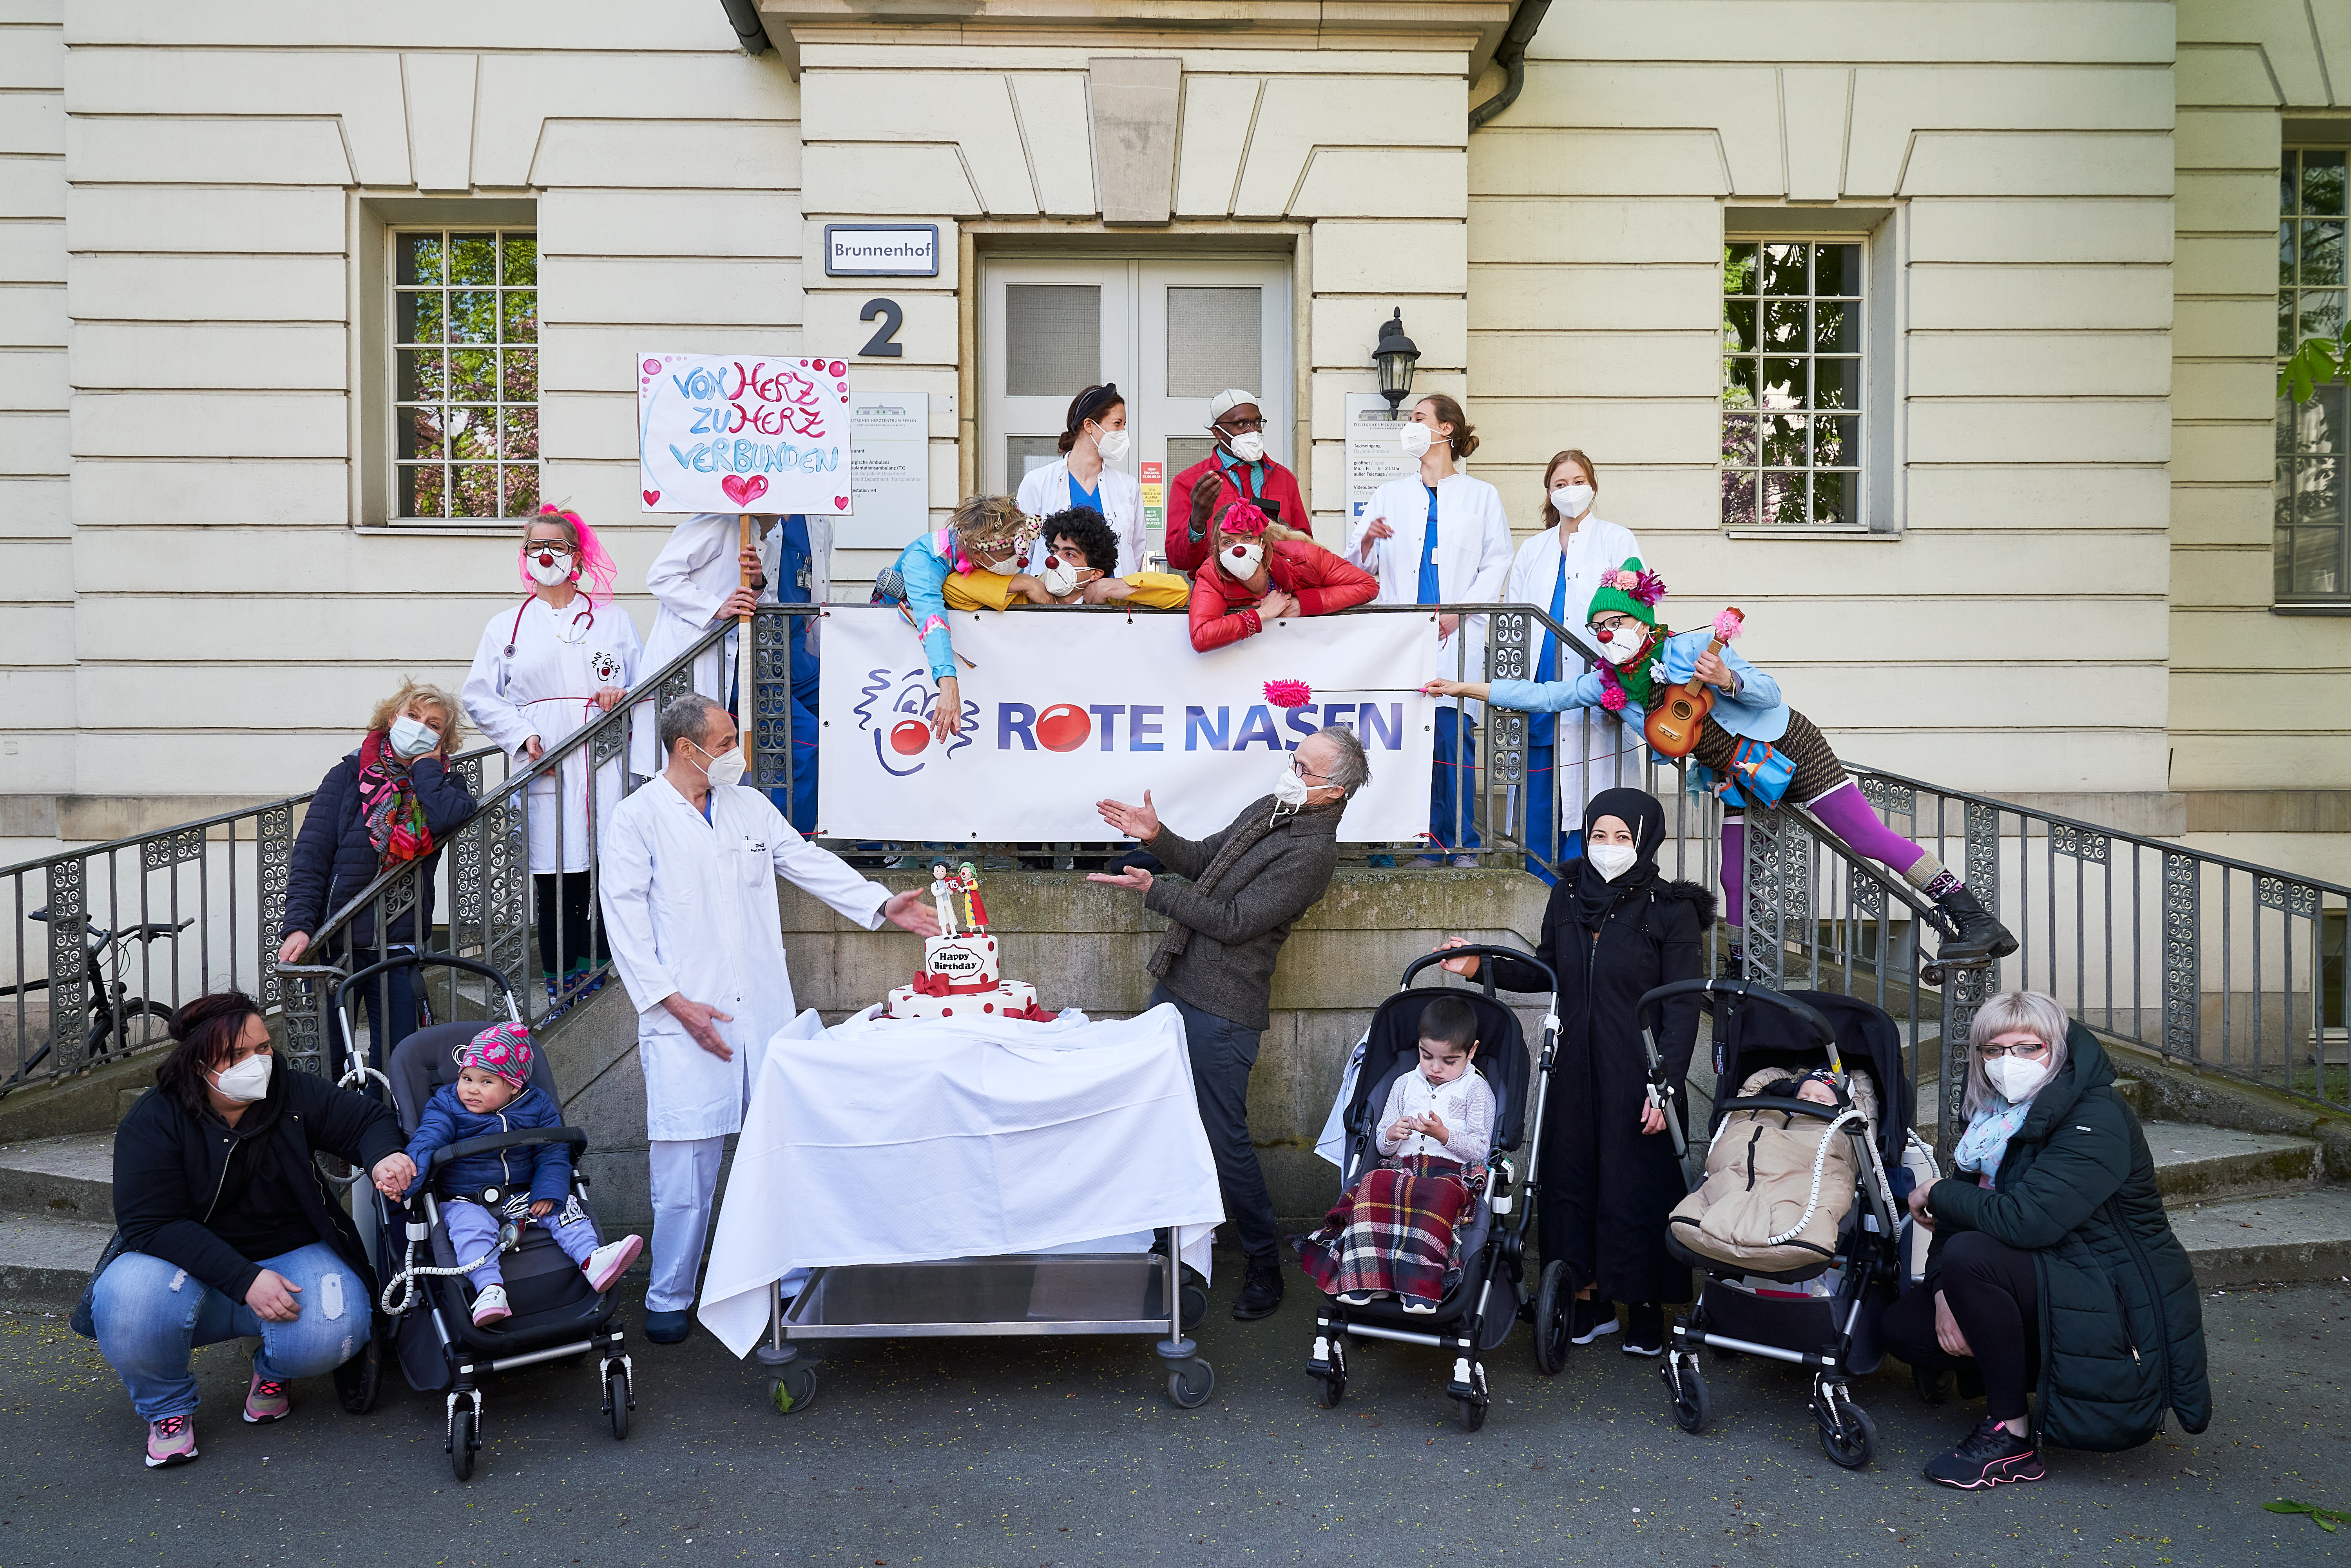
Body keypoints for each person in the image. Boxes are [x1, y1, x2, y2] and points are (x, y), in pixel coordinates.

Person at [1425, 558, 2018, 968]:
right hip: (1737, 777)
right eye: (1599, 627)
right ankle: (1739, 964)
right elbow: (1543, 697)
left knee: (1865, 835)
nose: (1609, 634)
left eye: (1617, 622)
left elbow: (1767, 691)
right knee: (1732, 872)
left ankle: (1970, 914)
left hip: (1786, 746)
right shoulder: (1612, 686)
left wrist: (1727, 676)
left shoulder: (1689, 648)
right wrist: (1462, 686)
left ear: (1642, 619)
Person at [598, 693, 941, 1342]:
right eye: (725, 741)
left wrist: (880, 905)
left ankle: (788, 1277)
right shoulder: (636, 819)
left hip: (760, 1011)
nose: (737, 752)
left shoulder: (749, 807)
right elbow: (627, 923)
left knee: (779, 1147)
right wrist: (674, 1003)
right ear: (685, 748)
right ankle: (672, 1294)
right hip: (682, 1015)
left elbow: (807, 863)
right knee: (685, 1171)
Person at [1089, 724, 1371, 1321]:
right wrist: (1157, 836)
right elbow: (1205, 860)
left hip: (1224, 1011)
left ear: (1334, 794)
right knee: (1161, 1118)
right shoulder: (1271, 807)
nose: (1292, 769)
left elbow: (1236, 919)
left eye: (1307, 767)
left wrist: (1154, 891)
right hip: (1178, 982)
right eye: (1294, 758)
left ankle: (1265, 1265)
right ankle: (1173, 1246)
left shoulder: (1313, 855)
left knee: (1225, 1142)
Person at [1886, 991, 2210, 1489]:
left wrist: (1936, 1190)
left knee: (1974, 1257)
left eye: (2027, 1048)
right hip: (2050, 1269)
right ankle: (2021, 1365)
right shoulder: (1993, 1118)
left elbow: (2027, 1221)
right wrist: (1944, 1291)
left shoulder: (2094, 1115)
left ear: (2056, 1049)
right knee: (1905, 1327)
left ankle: (2011, 1437)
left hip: (2111, 1288)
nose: (2007, 1062)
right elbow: (1957, 1222)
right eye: (1993, 1050)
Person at [1432, 787, 1710, 1356]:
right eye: (1599, 835)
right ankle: (1589, 1299)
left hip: (1641, 1069)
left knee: (1635, 1184)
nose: (1609, 848)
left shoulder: (1671, 909)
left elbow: (1682, 1006)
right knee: (1573, 1180)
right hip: (1574, 1066)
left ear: (1646, 839)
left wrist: (1667, 1085)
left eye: (1623, 837)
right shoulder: (1566, 896)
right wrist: (1479, 963)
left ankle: (1645, 1305)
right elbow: (1547, 970)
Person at [88, 990, 414, 1468]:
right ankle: (168, 1409)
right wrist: (244, 1280)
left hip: (287, 1251)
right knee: (128, 1299)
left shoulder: (290, 1091)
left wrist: (385, 1155)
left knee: (338, 1326)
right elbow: (149, 1224)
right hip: (182, 1265)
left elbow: (367, 1118)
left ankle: (273, 1369)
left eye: (263, 1047)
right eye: (238, 1055)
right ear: (199, 1063)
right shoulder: (155, 1120)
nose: (259, 1062)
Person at [461, 505, 643, 1015]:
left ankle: (605, 972)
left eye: (556, 546)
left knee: (610, 866)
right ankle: (563, 983)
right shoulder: (506, 627)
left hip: (603, 755)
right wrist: (523, 736)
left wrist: (619, 696)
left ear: (576, 555)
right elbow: (479, 695)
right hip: (545, 761)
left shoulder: (614, 620)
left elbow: (647, 683)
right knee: (556, 873)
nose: (545, 554)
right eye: (535, 547)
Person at [389, 1020, 643, 1327]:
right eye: (466, 1078)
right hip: (466, 1199)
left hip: (523, 1194)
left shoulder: (536, 1105)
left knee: (566, 1208)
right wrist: (407, 1180)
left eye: (486, 1082)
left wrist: (549, 1190)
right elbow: (427, 1140)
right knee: (471, 1231)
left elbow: (552, 1150)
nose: (471, 1089)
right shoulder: (447, 1105)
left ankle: (593, 1260)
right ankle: (490, 1290)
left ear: (513, 1086)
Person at [1348, 393, 1511, 864]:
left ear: (1446, 430)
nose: (1411, 425)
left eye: (1419, 418)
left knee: (1451, 737)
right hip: (1403, 636)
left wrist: (1461, 611)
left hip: (1456, 637)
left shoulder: (1481, 496)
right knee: (1405, 741)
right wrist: (1366, 539)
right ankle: (1419, 842)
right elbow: (1357, 567)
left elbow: (1497, 561)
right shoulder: (1390, 495)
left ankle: (1459, 843)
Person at [276, 681, 475, 1066]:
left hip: (397, 943)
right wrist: (299, 925)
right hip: (335, 940)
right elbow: (311, 855)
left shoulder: (445, 785)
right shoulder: (349, 774)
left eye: (434, 725)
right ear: (391, 718)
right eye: (413, 716)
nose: (420, 727)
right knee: (329, 1055)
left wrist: (426, 769)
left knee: (397, 1057)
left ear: (444, 741)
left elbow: (447, 817)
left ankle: (386, 1125)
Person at [1291, 994, 1495, 1313]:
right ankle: (1364, 1281)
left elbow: (1480, 1148)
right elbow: (1383, 1146)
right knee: (1373, 1183)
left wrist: (1444, 1134)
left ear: (1471, 1052)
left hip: (1451, 1174)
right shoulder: (1404, 1084)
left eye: (1449, 1061)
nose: (1436, 1068)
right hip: (1404, 1168)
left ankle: (1421, 1288)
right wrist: (1391, 1134)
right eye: (1427, 1056)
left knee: (1437, 1195)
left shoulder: (1476, 1089)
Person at [1505, 450, 1643, 882]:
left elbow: (1636, 612)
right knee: (1540, 792)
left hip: (1594, 687)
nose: (1570, 490)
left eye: (1578, 480)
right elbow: (1513, 616)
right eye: (1560, 483)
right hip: (1541, 683)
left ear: (1593, 486)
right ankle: (1539, 885)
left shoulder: (1617, 540)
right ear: (1549, 492)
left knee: (1589, 795)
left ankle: (1582, 889)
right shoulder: (1534, 549)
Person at [633, 508, 831, 798]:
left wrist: (759, 584)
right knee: (690, 768)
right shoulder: (716, 521)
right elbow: (662, 576)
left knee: (792, 744)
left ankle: (783, 836)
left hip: (747, 664)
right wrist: (715, 608)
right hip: (699, 663)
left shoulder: (771, 537)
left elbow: (766, 602)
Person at [875, 494, 1044, 741]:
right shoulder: (924, 560)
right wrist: (948, 683)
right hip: (902, 651)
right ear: (977, 549)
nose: (1018, 561)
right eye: (1008, 553)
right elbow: (932, 619)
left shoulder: (979, 555)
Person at [1187, 500, 1379, 652]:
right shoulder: (1212, 574)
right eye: (1228, 542)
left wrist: (1303, 605)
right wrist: (1261, 615)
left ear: (1262, 543)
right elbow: (1201, 636)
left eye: (1247, 538)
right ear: (1218, 551)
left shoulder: (1303, 557)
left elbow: (1367, 585)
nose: (1239, 550)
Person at [1167, 388, 1308, 575]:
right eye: (1242, 424)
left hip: (1277, 589)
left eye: (1257, 423)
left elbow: (1306, 549)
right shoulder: (1190, 482)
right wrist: (1197, 522)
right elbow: (1179, 560)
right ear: (1218, 432)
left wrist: (1282, 532)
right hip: (1218, 591)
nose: (1253, 431)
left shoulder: (1283, 478)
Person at [944, 506, 1191, 611]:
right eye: (1054, 551)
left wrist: (1113, 587)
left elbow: (1179, 592)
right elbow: (953, 588)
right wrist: (1026, 583)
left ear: (1095, 573)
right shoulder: (1024, 595)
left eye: (1070, 554)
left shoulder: (1113, 602)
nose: (1055, 561)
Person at [1015, 384, 1145, 576]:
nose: (1123, 432)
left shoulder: (1128, 487)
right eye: (1118, 424)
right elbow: (1024, 551)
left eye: (1124, 425)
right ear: (1090, 425)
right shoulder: (1038, 483)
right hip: (1053, 601)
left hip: (1111, 601)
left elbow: (1136, 551)